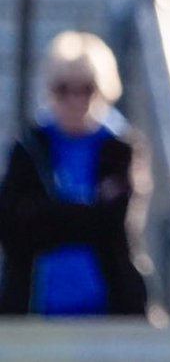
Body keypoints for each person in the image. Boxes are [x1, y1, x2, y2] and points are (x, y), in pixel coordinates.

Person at [0, 30, 150, 316]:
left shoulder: (121, 147)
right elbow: (13, 224)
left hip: (109, 307)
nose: (75, 100)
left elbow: (117, 222)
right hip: (35, 307)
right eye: (63, 89)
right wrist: (90, 212)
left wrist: (47, 215)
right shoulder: (30, 147)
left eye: (86, 88)